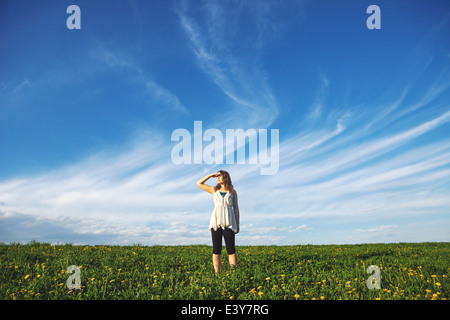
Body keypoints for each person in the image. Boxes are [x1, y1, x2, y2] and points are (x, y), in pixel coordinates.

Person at [196, 170, 240, 274]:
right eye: (217, 176)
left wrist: (237, 224)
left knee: (231, 249)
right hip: (216, 222)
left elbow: (236, 208)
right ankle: (217, 274)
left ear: (226, 177)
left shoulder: (232, 191)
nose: (218, 178)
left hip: (229, 222)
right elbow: (199, 183)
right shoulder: (213, 190)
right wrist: (210, 175)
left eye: (220, 176)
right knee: (216, 249)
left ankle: (234, 273)